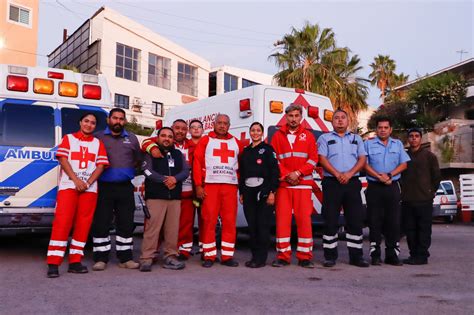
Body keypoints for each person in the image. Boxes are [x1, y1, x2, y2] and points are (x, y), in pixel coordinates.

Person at [46, 113, 109, 278]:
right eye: (86, 121)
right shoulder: (69, 138)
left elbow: (101, 166)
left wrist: (87, 183)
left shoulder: (98, 143)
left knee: (83, 224)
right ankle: (53, 262)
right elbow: (63, 159)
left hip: (89, 189)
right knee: (62, 222)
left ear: (95, 126)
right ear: (80, 122)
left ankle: (75, 261)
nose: (89, 125)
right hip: (69, 186)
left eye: (93, 123)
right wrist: (76, 180)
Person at [91, 108, 142, 271]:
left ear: (125, 121)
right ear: (108, 120)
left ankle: (125, 258)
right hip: (103, 186)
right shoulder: (98, 137)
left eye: (121, 119)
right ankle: (101, 258)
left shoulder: (132, 138)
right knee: (101, 223)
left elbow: (138, 160)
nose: (118, 121)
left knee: (126, 223)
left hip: (125, 187)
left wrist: (125, 173)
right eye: (115, 118)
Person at [317, 109, 369, 268]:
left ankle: (356, 257)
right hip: (332, 182)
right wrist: (338, 174)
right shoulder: (324, 138)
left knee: (355, 220)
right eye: (336, 118)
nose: (340, 120)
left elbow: (362, 159)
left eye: (342, 118)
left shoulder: (356, 139)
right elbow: (322, 158)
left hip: (352, 182)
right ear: (332, 122)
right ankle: (330, 257)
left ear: (348, 121)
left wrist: (349, 174)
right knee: (330, 220)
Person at [270, 104, 318, 268]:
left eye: (297, 116)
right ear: (286, 117)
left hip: (303, 184)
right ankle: (283, 256)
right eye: (290, 116)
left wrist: (297, 173)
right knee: (282, 221)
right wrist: (286, 175)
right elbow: (274, 159)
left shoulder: (309, 136)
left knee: (304, 221)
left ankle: (305, 257)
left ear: (301, 117)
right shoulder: (277, 136)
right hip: (284, 185)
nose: (293, 119)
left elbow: (313, 159)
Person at [193, 114, 244, 268]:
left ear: (229, 125)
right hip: (211, 186)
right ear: (214, 124)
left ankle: (228, 256)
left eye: (225, 123)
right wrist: (198, 185)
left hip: (230, 186)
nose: (222, 126)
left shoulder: (236, 142)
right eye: (219, 123)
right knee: (209, 221)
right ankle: (209, 255)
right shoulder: (206, 140)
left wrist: (240, 187)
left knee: (229, 222)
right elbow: (197, 162)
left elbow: (243, 164)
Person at [141, 119, 196, 260]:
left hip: (178, 195)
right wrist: (166, 180)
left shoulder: (181, 151)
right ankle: (148, 257)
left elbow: (186, 170)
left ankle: (173, 255)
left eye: (184, 129)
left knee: (173, 229)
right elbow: (147, 170)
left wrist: (175, 179)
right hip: (156, 195)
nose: (180, 131)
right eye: (176, 128)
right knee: (153, 229)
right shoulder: (152, 147)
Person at [364, 117, 410, 266]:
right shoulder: (368, 144)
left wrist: (389, 175)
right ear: (376, 129)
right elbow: (363, 164)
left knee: (393, 222)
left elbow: (404, 164)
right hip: (374, 187)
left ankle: (392, 255)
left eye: (385, 127)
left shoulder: (397, 144)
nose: (382, 130)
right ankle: (375, 255)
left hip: (392, 186)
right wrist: (378, 176)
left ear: (390, 130)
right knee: (374, 221)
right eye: (380, 127)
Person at [239, 122, 279, 268]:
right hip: (248, 192)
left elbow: (274, 172)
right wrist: (242, 192)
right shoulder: (246, 151)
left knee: (262, 225)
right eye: (253, 130)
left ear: (262, 133)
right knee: (252, 226)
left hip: (264, 191)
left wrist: (272, 192)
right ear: (250, 132)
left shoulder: (268, 150)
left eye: (258, 130)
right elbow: (242, 174)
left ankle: (261, 259)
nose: (255, 133)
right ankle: (254, 256)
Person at [401, 128, 441, 265]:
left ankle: (422, 256)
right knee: (410, 229)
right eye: (411, 136)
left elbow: (436, 177)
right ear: (408, 139)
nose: (413, 138)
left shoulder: (429, 156)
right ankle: (413, 255)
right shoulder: (403, 157)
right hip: (407, 199)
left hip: (424, 200)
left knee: (424, 229)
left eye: (416, 136)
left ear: (421, 138)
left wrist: (431, 191)